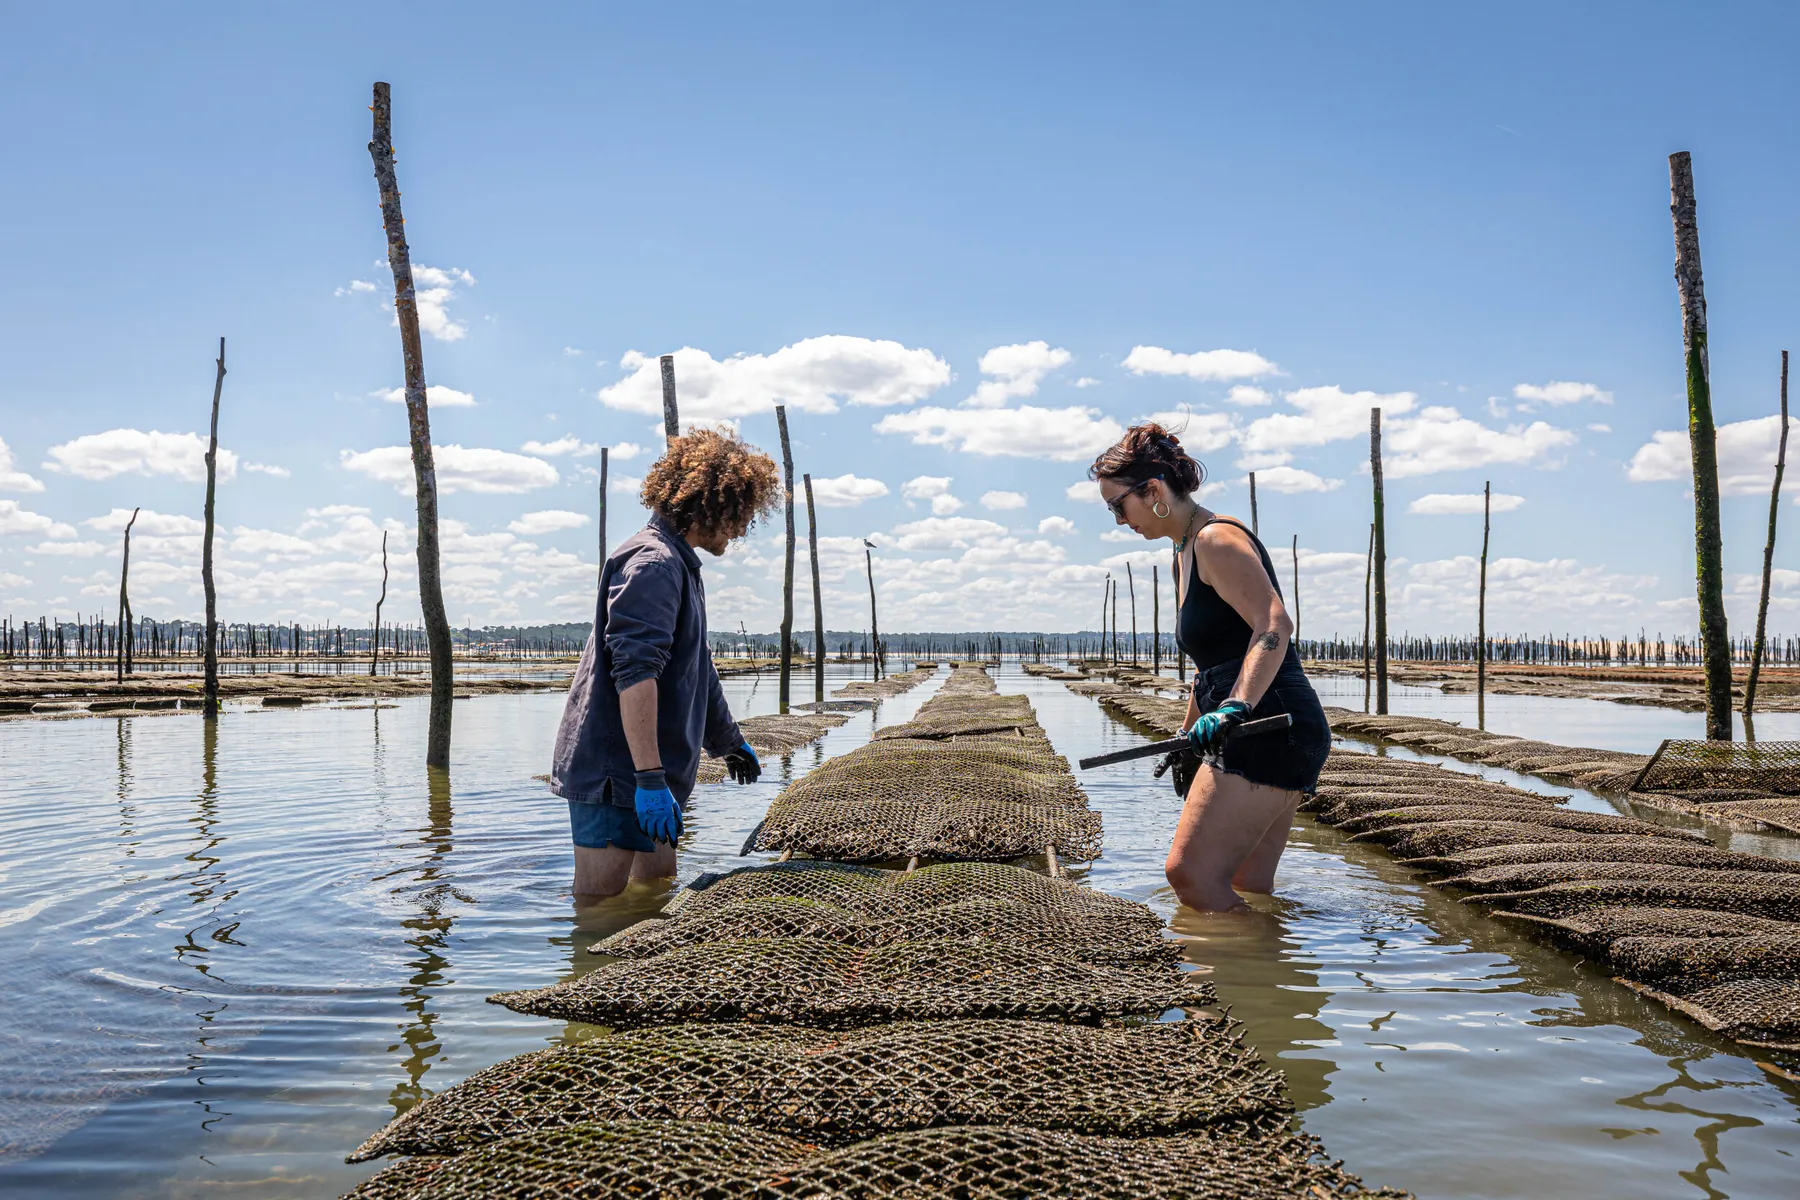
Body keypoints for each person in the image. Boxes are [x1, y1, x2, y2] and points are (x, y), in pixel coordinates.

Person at [1090, 423, 1331, 912]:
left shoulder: (1215, 539)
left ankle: (1242, 977)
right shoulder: (1183, 552)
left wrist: (1236, 707)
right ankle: (1265, 981)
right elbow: (1211, 667)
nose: (1118, 520)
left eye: (1119, 506)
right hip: (1261, 727)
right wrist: (1186, 741)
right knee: (1244, 886)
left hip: (1272, 724)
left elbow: (1274, 624)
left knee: (1191, 876)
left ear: (1153, 490)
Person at [550, 429, 781, 899]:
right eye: (740, 518)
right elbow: (635, 674)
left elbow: (698, 667)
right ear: (711, 505)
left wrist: (727, 740)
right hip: (619, 772)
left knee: (655, 890)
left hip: (652, 771)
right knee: (599, 909)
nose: (740, 531)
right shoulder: (653, 564)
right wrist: (648, 780)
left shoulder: (680, 565)